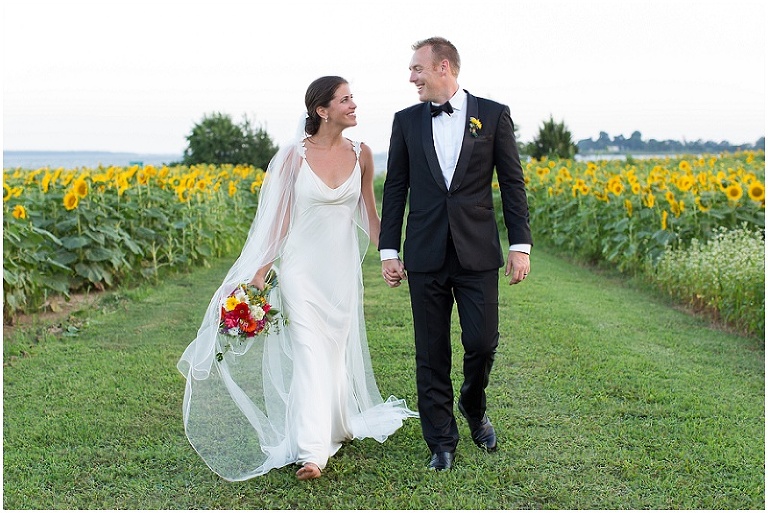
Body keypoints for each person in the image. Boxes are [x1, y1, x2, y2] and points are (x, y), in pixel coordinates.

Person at [178, 76, 416, 482]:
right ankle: (312, 452)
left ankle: (337, 425)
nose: (354, 104)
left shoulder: (363, 154)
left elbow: (370, 216)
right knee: (308, 352)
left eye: (352, 98)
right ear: (322, 111)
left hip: (340, 273)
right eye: (345, 99)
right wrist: (261, 268)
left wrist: (390, 255)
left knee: (333, 353)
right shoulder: (293, 157)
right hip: (301, 271)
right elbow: (281, 219)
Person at [379, 37, 532, 471]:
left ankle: (472, 404)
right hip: (425, 252)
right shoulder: (405, 121)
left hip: (477, 251)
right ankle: (441, 442)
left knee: (482, 342)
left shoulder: (493, 114)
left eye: (417, 69)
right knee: (431, 351)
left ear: (443, 66)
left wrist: (519, 245)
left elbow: (513, 184)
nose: (411, 77)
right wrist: (389, 248)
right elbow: (396, 188)